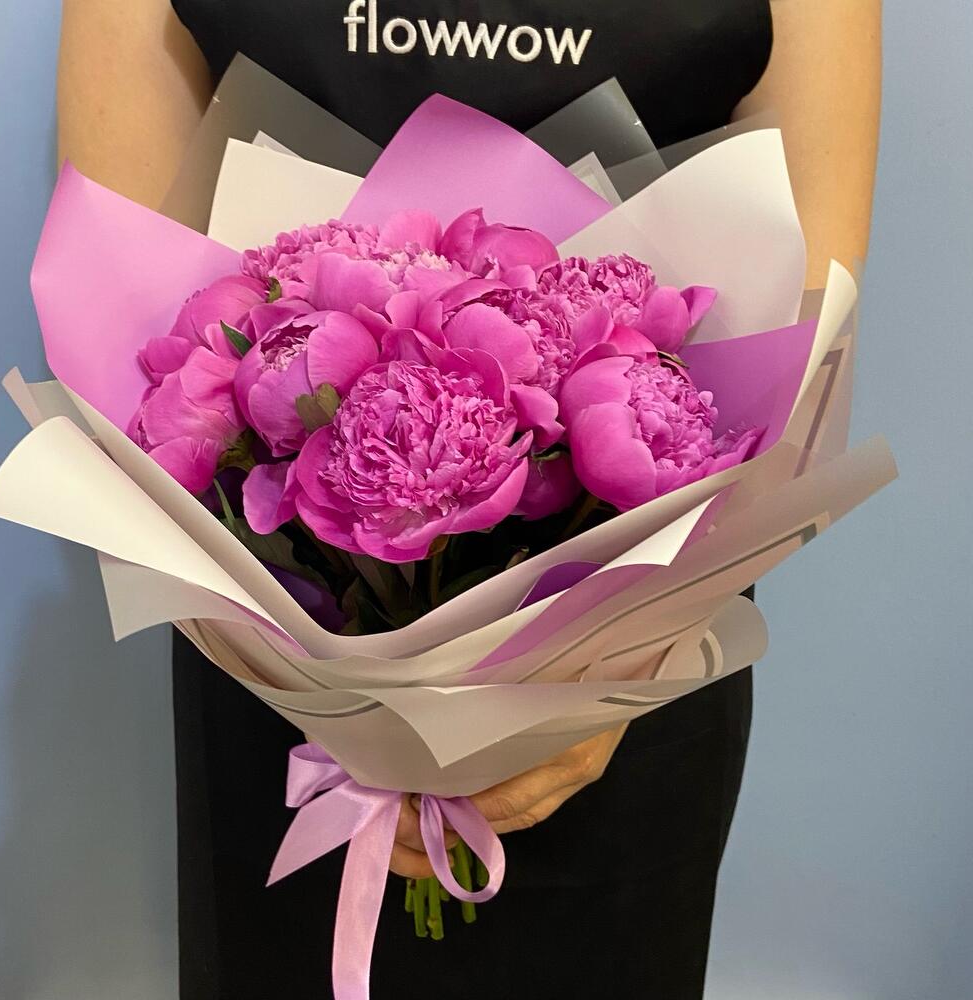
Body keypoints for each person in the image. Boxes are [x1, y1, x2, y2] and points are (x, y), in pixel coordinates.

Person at [56, 2, 881, 996]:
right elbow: (126, 308)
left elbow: (802, 334)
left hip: (638, 663)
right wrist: (335, 694)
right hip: (285, 661)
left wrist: (604, 679)